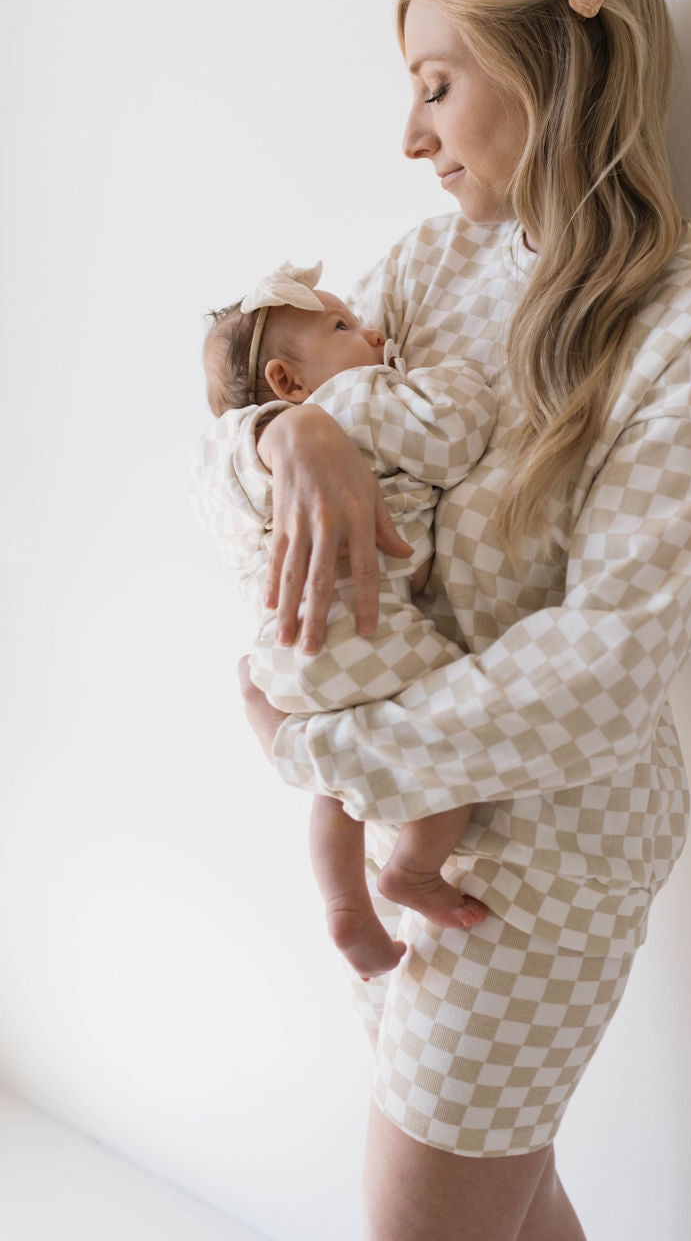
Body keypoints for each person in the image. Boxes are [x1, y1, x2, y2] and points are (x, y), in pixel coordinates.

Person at [197, 0, 691, 1241]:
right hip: (402, 845)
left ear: (558, 68)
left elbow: (612, 659)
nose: (411, 136)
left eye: (437, 85)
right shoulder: (425, 264)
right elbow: (231, 444)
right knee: (510, 1206)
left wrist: (328, 761)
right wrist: (289, 434)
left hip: (538, 869)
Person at [195, 262, 494, 979]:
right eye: (342, 327)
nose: (374, 331)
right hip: (368, 630)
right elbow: (452, 440)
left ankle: (343, 902)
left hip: (283, 653)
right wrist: (459, 380)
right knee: (462, 732)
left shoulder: (246, 465)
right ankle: (412, 869)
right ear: (289, 382)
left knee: (339, 789)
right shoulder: (360, 399)